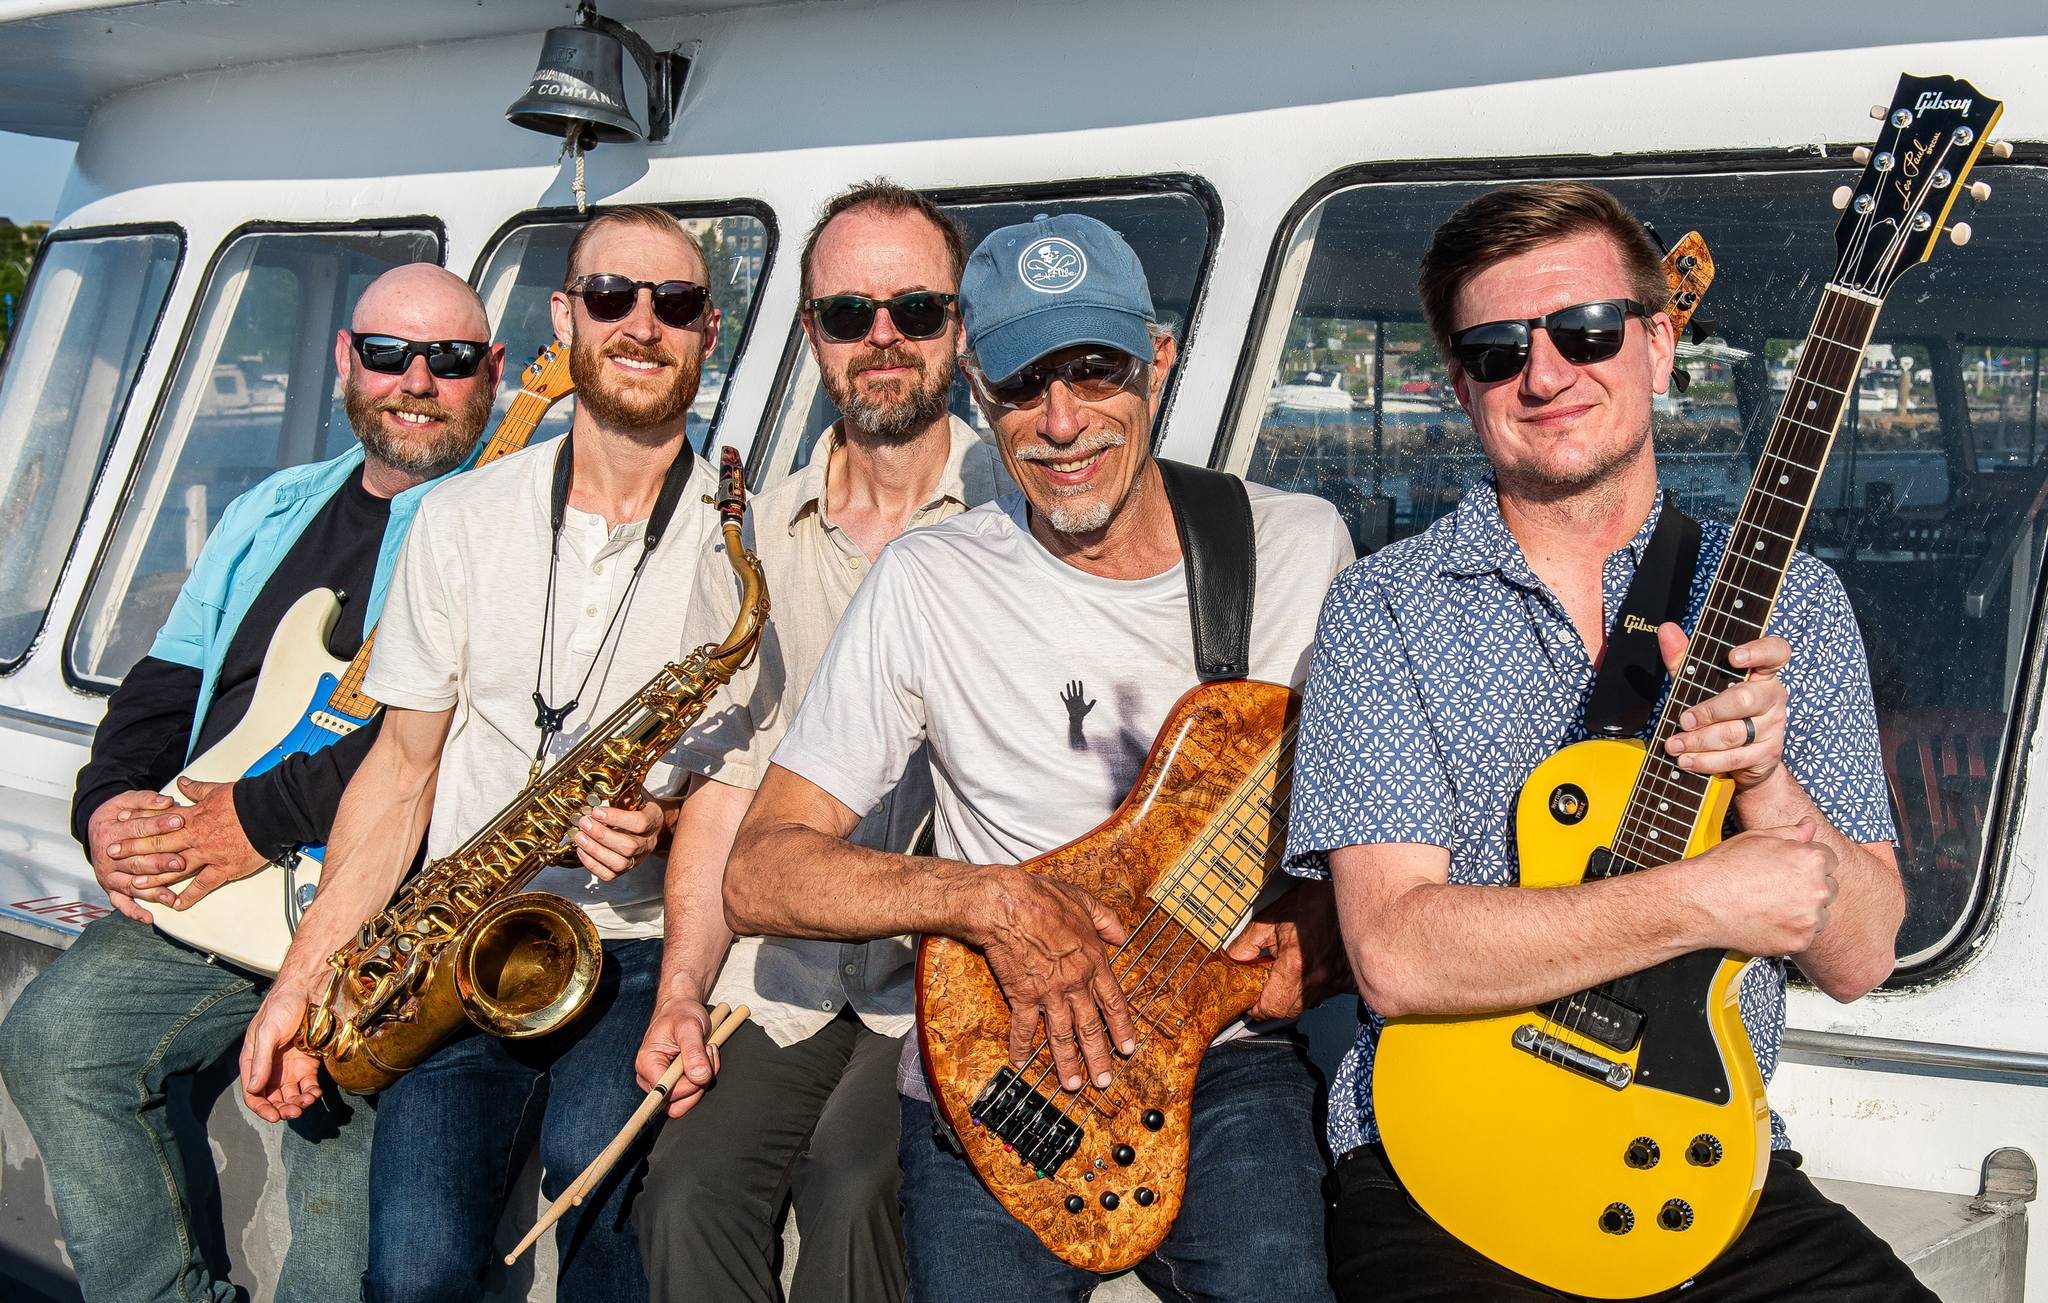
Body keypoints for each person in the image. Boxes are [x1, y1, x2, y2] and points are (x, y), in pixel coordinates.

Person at [1284, 180, 1930, 1301]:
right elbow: (1393, 956)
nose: (1543, 374)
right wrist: (1701, 899)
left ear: (1658, 343)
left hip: (1706, 1155)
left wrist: (1767, 784)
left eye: (1584, 331)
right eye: (1494, 350)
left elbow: (1858, 956)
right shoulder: (1382, 609)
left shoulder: (1795, 601)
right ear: (1458, 387)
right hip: (1447, 1160)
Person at [721, 212, 1354, 1302]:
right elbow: (761, 869)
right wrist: (991, 905)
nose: (1060, 422)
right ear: (977, 389)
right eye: (1022, 385)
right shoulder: (930, 577)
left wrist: (1324, 931)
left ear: (1157, 362)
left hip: (1223, 1058)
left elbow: (1374, 817)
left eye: (1094, 370)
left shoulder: (1294, 547)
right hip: (997, 1064)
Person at [239, 204, 725, 1303]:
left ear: (708, 331)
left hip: (643, 943)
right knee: (411, 1269)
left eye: (675, 303)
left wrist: (667, 823)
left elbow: (764, 782)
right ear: (564, 319)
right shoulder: (460, 517)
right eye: (609, 297)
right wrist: (301, 985)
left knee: (601, 1212)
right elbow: (400, 772)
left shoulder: (743, 537)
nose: (640, 325)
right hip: (461, 940)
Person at [0, 264, 503, 1303]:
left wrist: (251, 820)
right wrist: (108, 809)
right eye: (389, 353)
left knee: (334, 1165)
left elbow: (436, 744)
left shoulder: (501, 525)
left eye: (450, 360)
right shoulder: (276, 504)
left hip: (384, 908)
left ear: (494, 373)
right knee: (54, 1040)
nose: (417, 381)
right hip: (222, 879)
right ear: (344, 362)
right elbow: (165, 682)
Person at [632, 180, 1006, 1302]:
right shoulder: (753, 541)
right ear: (811, 336)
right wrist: (681, 993)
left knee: (857, 1189)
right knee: (686, 1194)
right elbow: (721, 788)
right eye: (848, 315)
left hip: (952, 972)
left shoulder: (1021, 511)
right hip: (786, 966)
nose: (881, 337)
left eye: (915, 310)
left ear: (958, 324)